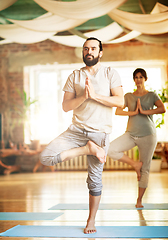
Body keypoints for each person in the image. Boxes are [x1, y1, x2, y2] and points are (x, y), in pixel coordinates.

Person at [40, 37, 124, 234]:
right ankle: (86, 149)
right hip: (76, 131)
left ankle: (91, 221)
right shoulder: (75, 76)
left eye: (93, 48)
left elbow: (120, 102)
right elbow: (66, 106)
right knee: (45, 157)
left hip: (99, 133)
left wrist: (95, 96)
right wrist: (84, 96)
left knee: (94, 180)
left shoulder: (110, 73)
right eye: (86, 49)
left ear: (100, 52)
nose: (89, 51)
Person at [107, 68, 166, 208]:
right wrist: (133, 112)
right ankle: (135, 164)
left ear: (145, 79)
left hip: (148, 135)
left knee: (145, 168)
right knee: (110, 149)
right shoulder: (128, 96)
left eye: (141, 77)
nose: (138, 79)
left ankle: (139, 200)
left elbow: (162, 109)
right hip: (131, 134)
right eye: (136, 77)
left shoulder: (152, 95)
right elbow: (118, 111)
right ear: (134, 80)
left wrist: (144, 112)